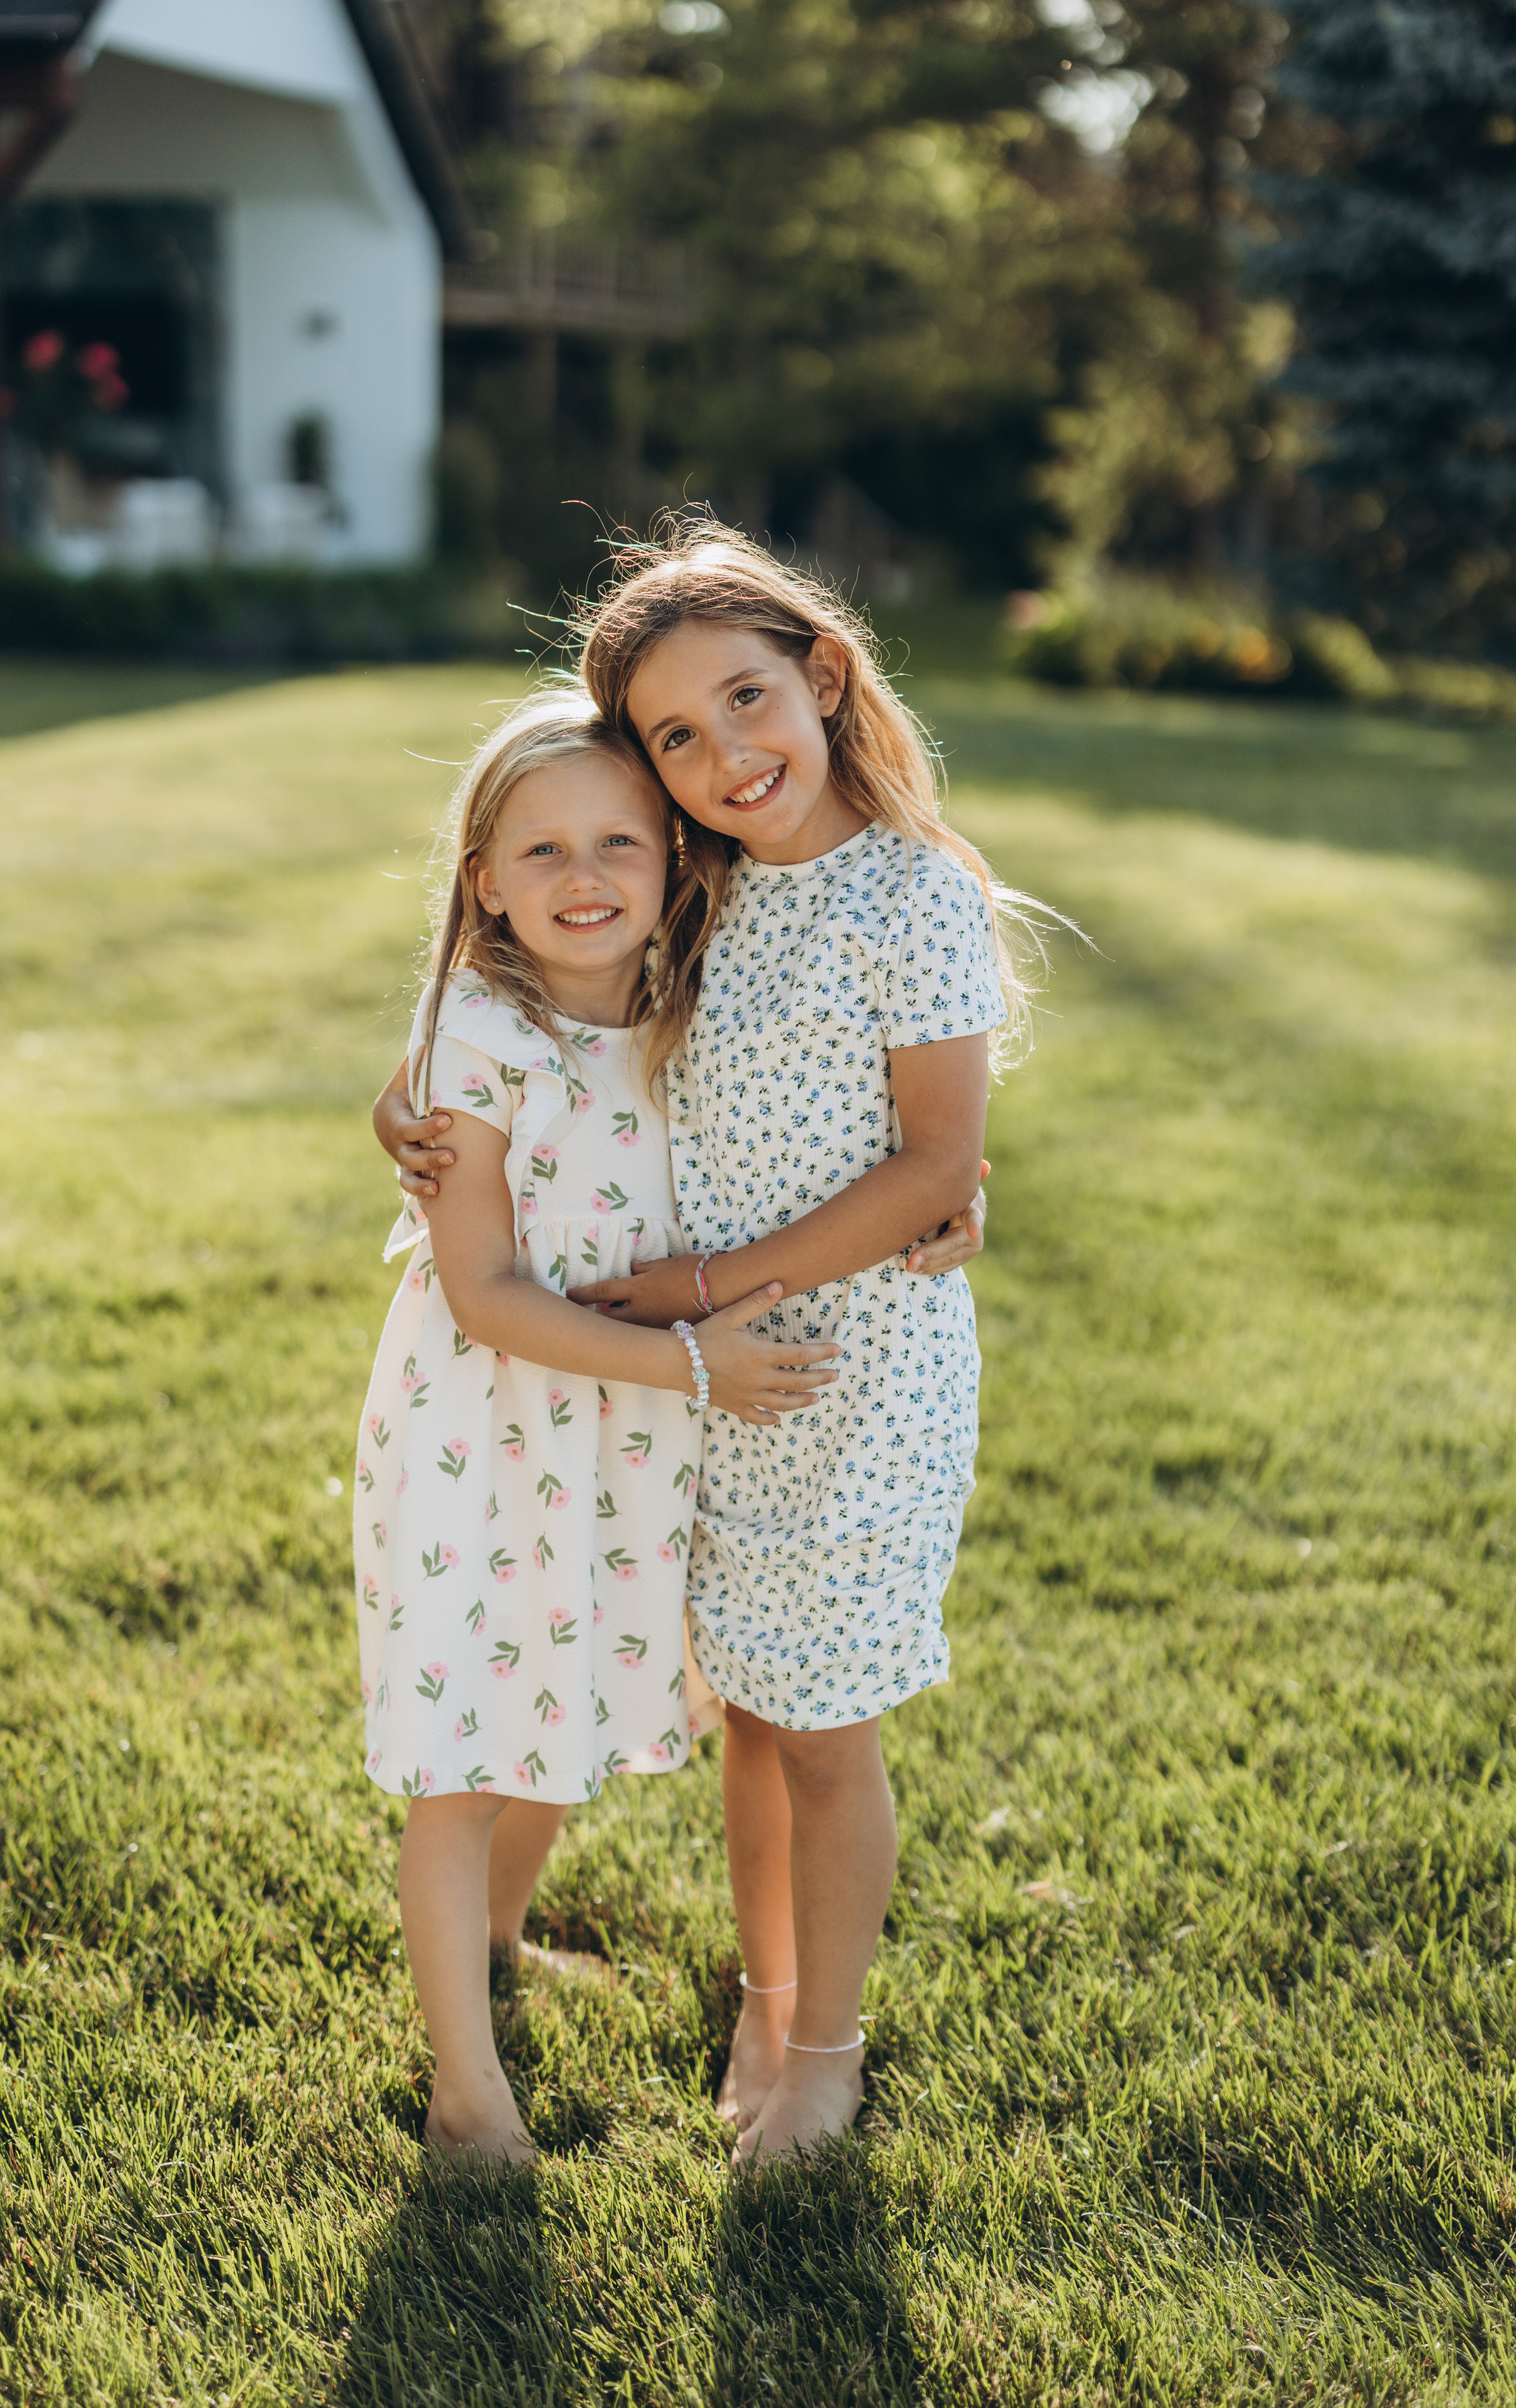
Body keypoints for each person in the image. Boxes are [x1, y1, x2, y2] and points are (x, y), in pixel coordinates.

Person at [378, 519, 1047, 2168]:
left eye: (746, 700)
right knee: (753, 1702)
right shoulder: (715, 893)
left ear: (826, 677)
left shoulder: (910, 891)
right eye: (678, 735)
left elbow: (931, 1154)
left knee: (824, 1727)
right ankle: (767, 1989)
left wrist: (708, 1286)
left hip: (847, 1377)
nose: (722, 755)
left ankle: (827, 2044)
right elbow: (544, 1024)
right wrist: (406, 1100)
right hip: (718, 1393)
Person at [363, 688, 845, 2163]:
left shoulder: (681, 1008)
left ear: (676, 858)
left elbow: (846, 1121)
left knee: (551, 1704)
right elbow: (490, 1293)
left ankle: (499, 1942)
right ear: (483, 883)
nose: (585, 880)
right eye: (544, 852)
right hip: (483, 1433)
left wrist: (949, 1198)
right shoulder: (478, 1038)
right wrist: (696, 1364)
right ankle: (468, 2098)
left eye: (619, 845)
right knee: (463, 1753)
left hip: (614, 1447)